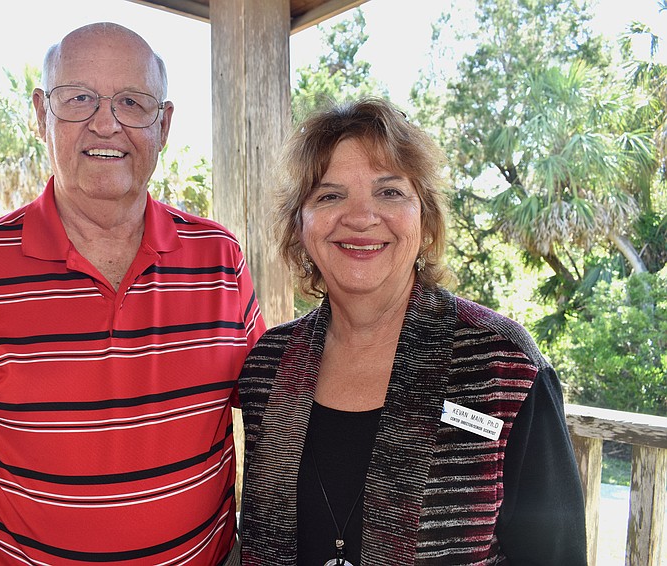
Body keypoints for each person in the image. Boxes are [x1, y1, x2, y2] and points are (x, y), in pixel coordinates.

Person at [0, 22, 264, 566]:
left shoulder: (220, 259)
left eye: (133, 102)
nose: (105, 123)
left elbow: (281, 410)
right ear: (41, 115)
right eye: (79, 99)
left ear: (165, 123)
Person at [237, 97, 587, 565]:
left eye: (390, 192)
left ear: (424, 221)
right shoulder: (269, 365)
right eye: (329, 195)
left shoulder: (503, 365)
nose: (361, 217)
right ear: (299, 226)